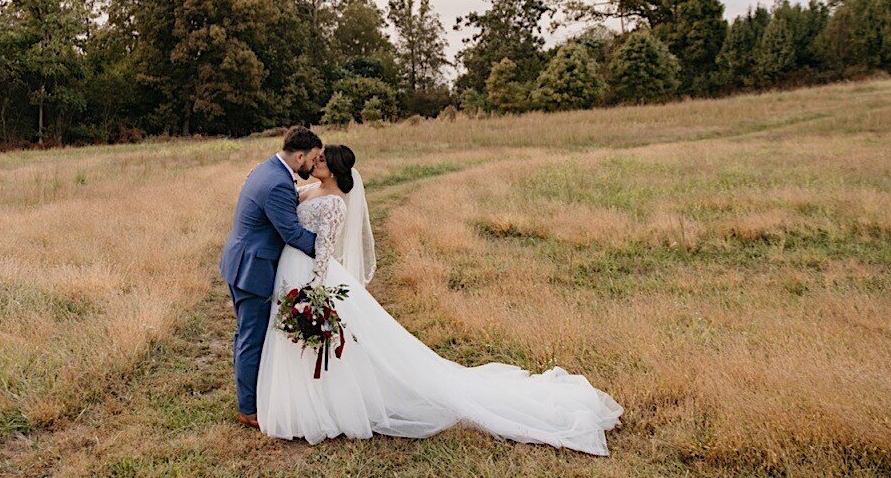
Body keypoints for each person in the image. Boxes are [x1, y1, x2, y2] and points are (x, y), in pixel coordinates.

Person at [256, 144, 624, 455]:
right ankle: (311, 403)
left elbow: (325, 250)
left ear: (333, 169)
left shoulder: (335, 203)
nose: (314, 163)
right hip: (291, 270)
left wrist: (315, 294)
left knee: (334, 340)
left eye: (321, 161)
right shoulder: (308, 191)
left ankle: (327, 406)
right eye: (314, 159)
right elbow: (285, 202)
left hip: (313, 278)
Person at [218, 126, 323, 430]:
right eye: (313, 159)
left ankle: (249, 396)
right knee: (252, 337)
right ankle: (248, 409)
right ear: (300, 156)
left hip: (241, 260)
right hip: (253, 269)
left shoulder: (267, 168)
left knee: (246, 334)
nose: (313, 166)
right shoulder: (277, 182)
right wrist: (325, 251)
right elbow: (291, 233)